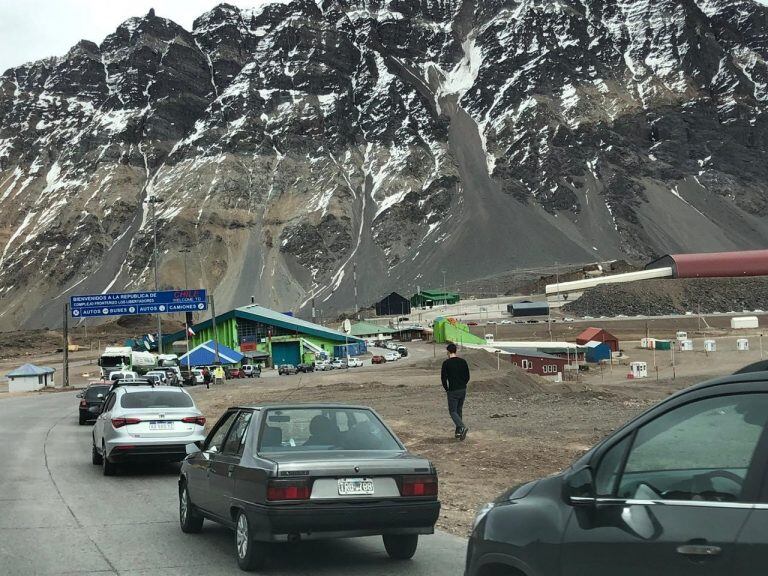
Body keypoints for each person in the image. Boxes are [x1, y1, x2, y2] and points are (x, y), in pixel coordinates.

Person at [441, 343, 470, 440]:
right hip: (463, 389)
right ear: (455, 351)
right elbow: (467, 376)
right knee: (459, 410)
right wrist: (463, 384)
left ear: (448, 352)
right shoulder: (463, 362)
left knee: (452, 411)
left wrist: (447, 389)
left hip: (453, 390)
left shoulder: (446, 363)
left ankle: (462, 426)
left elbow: (443, 379)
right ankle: (459, 433)